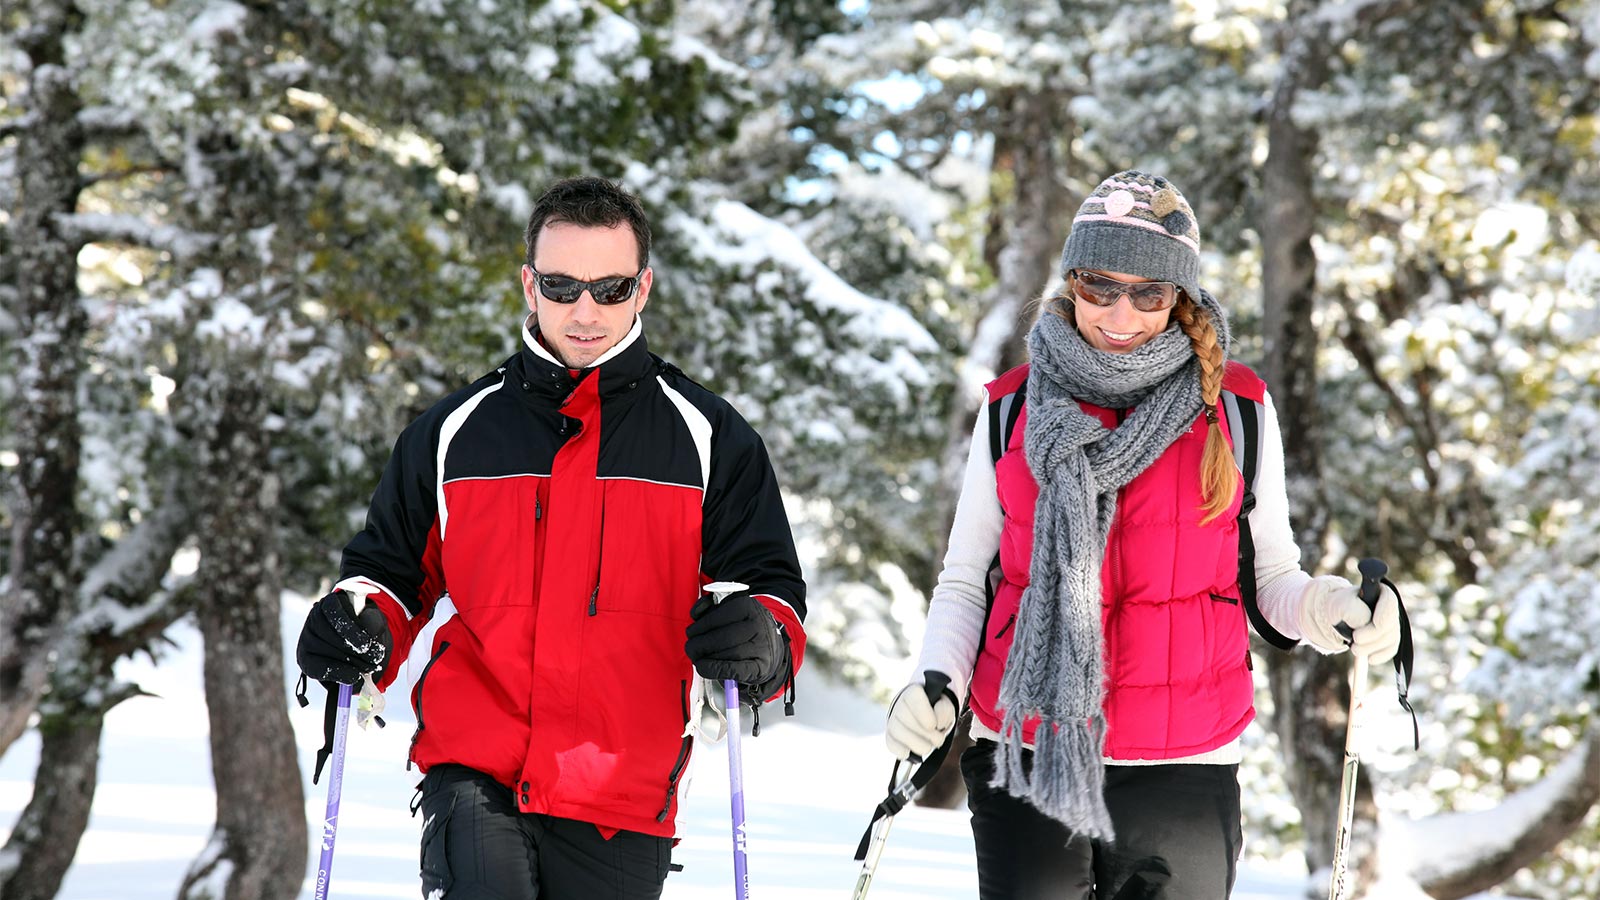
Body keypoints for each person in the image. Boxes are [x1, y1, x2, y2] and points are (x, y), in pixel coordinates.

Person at [883, 170, 1402, 899]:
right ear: (1071, 283)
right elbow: (969, 579)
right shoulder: (1010, 409)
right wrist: (935, 678)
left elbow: (1271, 580)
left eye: (1149, 293)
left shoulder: (1238, 410)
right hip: (1029, 755)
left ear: (1179, 298)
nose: (1120, 312)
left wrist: (1334, 609)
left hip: (1185, 766)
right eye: (1099, 286)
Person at [295, 175, 807, 900]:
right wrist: (359, 624)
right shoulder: (453, 432)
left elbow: (769, 589)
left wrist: (762, 642)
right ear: (529, 284)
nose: (586, 310)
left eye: (611, 287)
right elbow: (390, 574)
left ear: (645, 287)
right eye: (563, 286)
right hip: (474, 767)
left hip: (623, 787)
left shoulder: (709, 438)